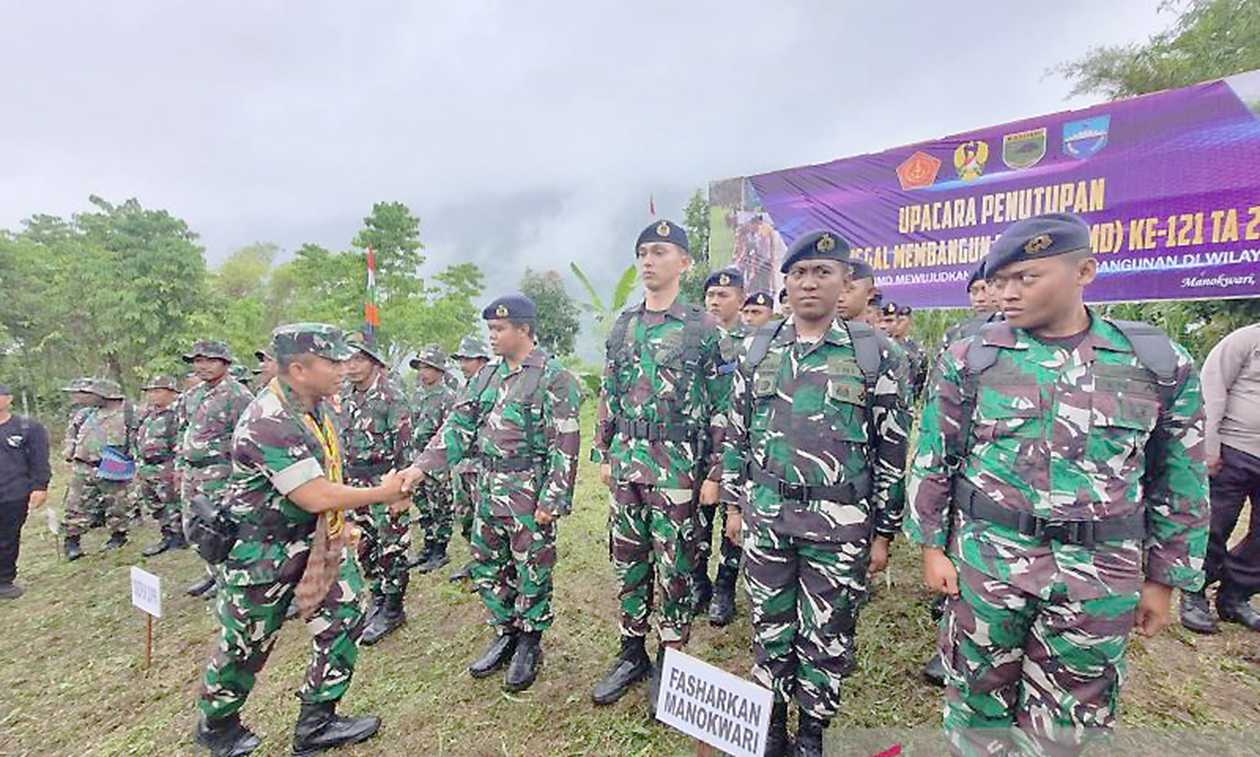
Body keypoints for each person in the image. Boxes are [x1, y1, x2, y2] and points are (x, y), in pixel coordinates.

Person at [905, 213, 1209, 755]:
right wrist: (931, 547)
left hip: (1098, 575)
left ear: (1084, 271)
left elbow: (1179, 479)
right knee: (977, 706)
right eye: (1001, 281)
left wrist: (1165, 580)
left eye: (1027, 278)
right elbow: (936, 455)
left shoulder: (1154, 362)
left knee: (1070, 722)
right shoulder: (973, 357)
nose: (1009, 293)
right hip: (988, 563)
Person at [723, 231, 908, 756]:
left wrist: (884, 533)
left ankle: (811, 731)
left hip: (840, 522)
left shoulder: (877, 355)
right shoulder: (759, 348)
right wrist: (736, 506)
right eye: (799, 274)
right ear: (786, 282)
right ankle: (772, 723)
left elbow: (891, 449)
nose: (809, 283)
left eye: (822, 273)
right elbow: (737, 431)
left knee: (828, 632)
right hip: (768, 514)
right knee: (769, 622)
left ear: (846, 282)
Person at [195, 323, 406, 757]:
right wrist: (382, 494)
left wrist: (341, 521)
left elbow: (327, 472)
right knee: (247, 643)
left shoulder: (318, 407)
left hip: (315, 541)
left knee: (345, 616)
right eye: (331, 362)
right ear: (298, 368)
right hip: (263, 552)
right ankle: (218, 726)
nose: (343, 369)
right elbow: (313, 495)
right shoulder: (269, 419)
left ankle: (317, 722)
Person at [401, 295, 582, 693]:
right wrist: (420, 467)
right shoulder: (486, 377)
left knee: (531, 566)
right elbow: (458, 426)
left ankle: (530, 641)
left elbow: (565, 442)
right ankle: (505, 631)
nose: (493, 337)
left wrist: (553, 500)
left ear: (524, 329)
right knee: (487, 564)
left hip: (527, 491)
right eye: (490, 330)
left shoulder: (554, 377)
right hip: (487, 486)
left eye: (499, 330)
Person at [590, 220, 733, 711]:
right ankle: (631, 651)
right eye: (643, 252)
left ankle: (669, 657)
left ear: (685, 263)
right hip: (628, 462)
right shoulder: (624, 324)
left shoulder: (703, 328)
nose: (649, 260)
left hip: (677, 468)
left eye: (660, 251)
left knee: (676, 564)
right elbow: (609, 391)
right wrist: (602, 451)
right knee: (628, 560)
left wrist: (716, 474)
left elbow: (724, 406)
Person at [1181, 320, 1260, 633]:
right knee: (1215, 524)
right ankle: (1195, 592)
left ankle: (1235, 596)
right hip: (1233, 448)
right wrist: (1209, 446)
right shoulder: (1245, 341)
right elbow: (1211, 391)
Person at [337, 331, 414, 645]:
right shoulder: (344, 397)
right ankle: (379, 599)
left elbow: (406, 448)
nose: (351, 366)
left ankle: (394, 608)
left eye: (358, 359)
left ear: (373, 362)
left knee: (392, 547)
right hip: (355, 484)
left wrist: (401, 494)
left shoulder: (391, 396)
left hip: (385, 481)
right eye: (346, 360)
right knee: (365, 546)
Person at [180, 340, 253, 598]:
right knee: (196, 525)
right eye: (198, 361)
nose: (203, 366)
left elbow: (247, 438)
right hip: (193, 474)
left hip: (221, 474)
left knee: (221, 526)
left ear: (225, 362)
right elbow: (185, 430)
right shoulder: (192, 395)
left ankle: (227, 577)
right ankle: (212, 573)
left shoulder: (238, 396)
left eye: (209, 361)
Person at [697, 268, 747, 626]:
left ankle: (725, 587)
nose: (715, 301)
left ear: (741, 299)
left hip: (738, 446)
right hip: (698, 446)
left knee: (733, 521)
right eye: (711, 295)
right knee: (697, 521)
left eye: (724, 295)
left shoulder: (757, 342)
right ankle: (700, 581)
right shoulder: (695, 338)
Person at [62, 379, 134, 558]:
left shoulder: (128, 413)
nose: (83, 398)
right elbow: (72, 432)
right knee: (75, 504)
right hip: (84, 465)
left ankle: (118, 536)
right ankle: (72, 541)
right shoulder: (84, 414)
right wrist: (70, 448)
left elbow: (136, 437)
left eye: (89, 394)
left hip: (113, 464)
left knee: (116, 503)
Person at [407, 345, 456, 575]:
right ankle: (427, 547)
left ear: (440, 371)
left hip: (437, 463)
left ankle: (440, 550)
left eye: (428, 367)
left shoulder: (448, 397)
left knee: (441, 506)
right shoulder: (416, 395)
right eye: (420, 367)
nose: (423, 372)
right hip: (416, 459)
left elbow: (450, 432)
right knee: (423, 505)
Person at [447, 334, 492, 583]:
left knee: (483, 519)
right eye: (461, 359)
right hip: (462, 464)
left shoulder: (493, 386)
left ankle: (488, 566)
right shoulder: (464, 387)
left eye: (468, 359)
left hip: (481, 464)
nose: (463, 364)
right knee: (464, 516)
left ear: (482, 360)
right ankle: (475, 560)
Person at [0, 383, 50, 598]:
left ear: (9, 398)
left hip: (13, 492)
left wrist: (40, 486)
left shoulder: (28, 427)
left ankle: (4, 579)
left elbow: (40, 460)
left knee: (8, 537)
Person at [137, 375, 186, 556]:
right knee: (155, 504)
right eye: (150, 392)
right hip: (146, 468)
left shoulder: (175, 415)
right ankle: (166, 534)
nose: (152, 396)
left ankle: (179, 537)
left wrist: (176, 468)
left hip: (166, 466)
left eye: (157, 391)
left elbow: (180, 442)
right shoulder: (148, 416)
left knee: (172, 504)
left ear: (171, 393)